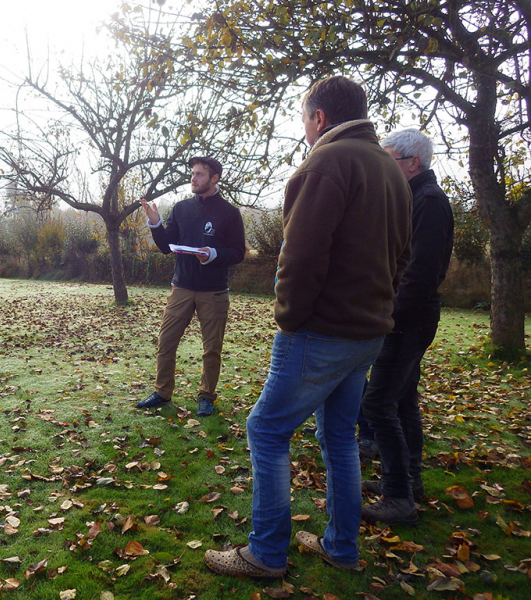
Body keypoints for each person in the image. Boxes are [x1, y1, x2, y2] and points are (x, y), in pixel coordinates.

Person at [204, 76, 412, 579]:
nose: (303, 130)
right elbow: (402, 255)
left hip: (320, 331)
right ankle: (341, 547)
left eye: (303, 119)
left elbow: (299, 257)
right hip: (368, 333)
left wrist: (290, 319)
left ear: (319, 118)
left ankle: (266, 553)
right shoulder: (389, 167)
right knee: (339, 437)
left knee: (266, 428)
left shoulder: (327, 162)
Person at [360, 129, 454, 525]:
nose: (386, 168)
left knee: (377, 404)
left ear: (412, 163)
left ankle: (398, 496)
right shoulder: (414, 198)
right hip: (406, 318)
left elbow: (421, 274)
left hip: (406, 321)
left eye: (391, 160)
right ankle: (409, 482)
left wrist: (390, 317)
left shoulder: (429, 203)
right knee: (402, 402)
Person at [134, 157, 246, 417]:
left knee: (211, 349)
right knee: (166, 342)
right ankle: (162, 392)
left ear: (214, 177)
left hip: (214, 291)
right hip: (181, 287)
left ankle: (206, 396)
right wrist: (155, 223)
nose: (193, 179)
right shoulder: (181, 208)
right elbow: (166, 246)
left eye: (199, 174)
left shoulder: (229, 213)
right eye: (192, 174)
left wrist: (214, 254)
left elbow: (239, 252)